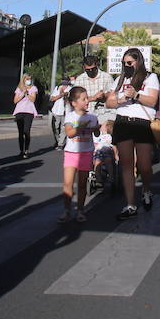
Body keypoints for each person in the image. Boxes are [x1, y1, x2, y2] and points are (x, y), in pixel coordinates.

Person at [106, 47, 160, 218]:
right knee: (126, 165)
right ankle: (130, 204)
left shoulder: (150, 77)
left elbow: (152, 100)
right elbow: (109, 102)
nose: (127, 65)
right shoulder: (119, 79)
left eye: (130, 62)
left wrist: (136, 95)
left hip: (142, 124)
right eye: (124, 63)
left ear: (138, 61)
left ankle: (146, 190)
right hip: (123, 122)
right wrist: (121, 99)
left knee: (144, 165)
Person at [59, 86, 99, 223]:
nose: (87, 101)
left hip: (86, 152)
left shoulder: (93, 117)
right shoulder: (70, 116)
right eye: (83, 99)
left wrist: (98, 128)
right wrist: (82, 126)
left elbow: (97, 133)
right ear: (74, 103)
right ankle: (66, 210)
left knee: (82, 184)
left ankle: (80, 210)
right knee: (68, 183)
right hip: (71, 153)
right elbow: (70, 133)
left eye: (87, 98)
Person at [73, 54, 115, 126]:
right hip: (86, 115)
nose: (90, 71)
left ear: (97, 66)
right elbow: (76, 100)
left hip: (104, 115)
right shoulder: (79, 80)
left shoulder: (107, 77)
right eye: (88, 70)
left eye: (93, 69)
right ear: (84, 68)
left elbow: (113, 96)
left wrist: (104, 96)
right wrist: (94, 98)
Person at [13, 74, 39, 158]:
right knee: (21, 132)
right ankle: (21, 151)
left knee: (26, 131)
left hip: (29, 111)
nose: (29, 80)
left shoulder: (33, 88)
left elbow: (33, 99)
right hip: (19, 111)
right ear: (23, 80)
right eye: (27, 79)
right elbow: (15, 101)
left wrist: (27, 93)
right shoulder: (19, 89)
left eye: (30, 79)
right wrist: (22, 93)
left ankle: (26, 150)